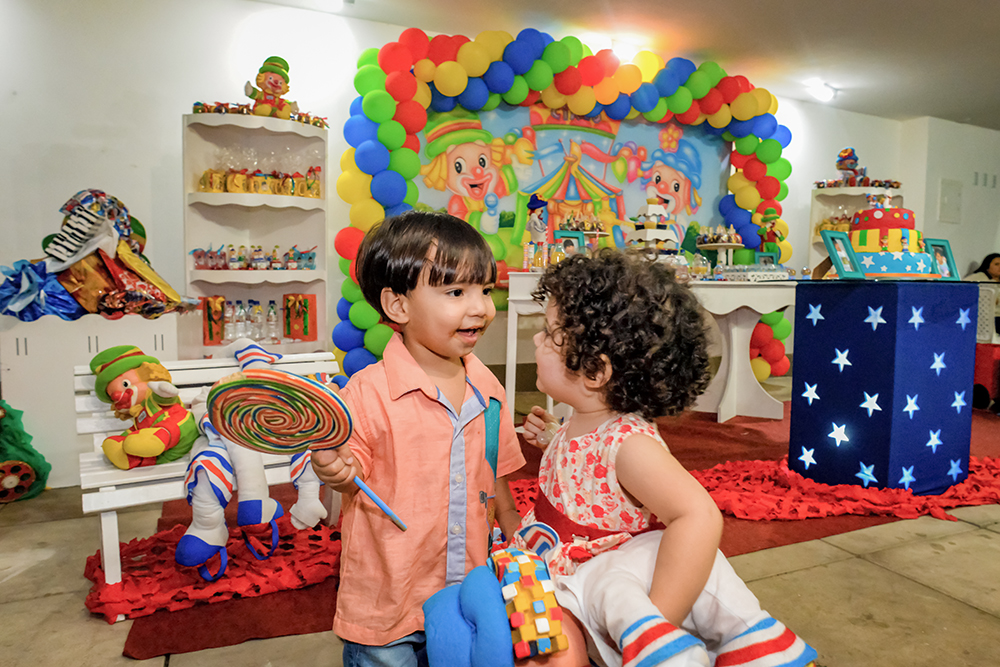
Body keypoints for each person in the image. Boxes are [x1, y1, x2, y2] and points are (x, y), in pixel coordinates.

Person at [516, 249, 817, 666]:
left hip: (598, 580)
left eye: (550, 334)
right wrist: (555, 440)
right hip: (558, 560)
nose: (537, 339)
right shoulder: (584, 417)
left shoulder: (630, 443)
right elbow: (589, 477)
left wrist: (656, 622)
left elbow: (698, 516)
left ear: (595, 372)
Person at [312, 211, 526, 666]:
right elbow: (350, 475)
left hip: (467, 590)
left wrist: (515, 532)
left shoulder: (490, 390)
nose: (480, 307)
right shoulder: (366, 394)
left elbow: (497, 476)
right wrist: (337, 470)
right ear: (398, 307)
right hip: (389, 599)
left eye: (485, 290)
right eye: (455, 292)